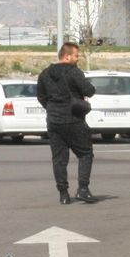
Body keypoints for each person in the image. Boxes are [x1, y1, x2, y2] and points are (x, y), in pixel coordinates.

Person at [36, 42, 98, 204]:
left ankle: (63, 194)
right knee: (85, 153)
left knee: (59, 159)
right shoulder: (74, 72)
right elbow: (89, 90)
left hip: (54, 121)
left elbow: (41, 97)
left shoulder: (45, 74)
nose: (78, 59)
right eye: (77, 56)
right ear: (67, 56)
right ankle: (83, 189)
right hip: (74, 119)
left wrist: (52, 108)